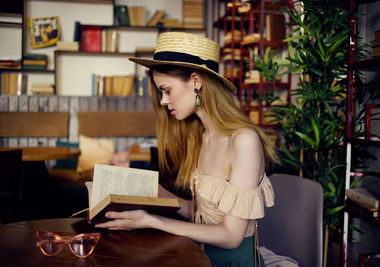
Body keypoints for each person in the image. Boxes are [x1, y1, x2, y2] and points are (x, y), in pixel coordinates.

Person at [95, 31, 278, 266]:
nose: (163, 101)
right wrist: (159, 193)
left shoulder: (244, 140)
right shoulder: (201, 136)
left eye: (167, 90)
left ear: (195, 81)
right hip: (196, 257)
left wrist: (151, 220)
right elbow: (207, 216)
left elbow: (231, 236)